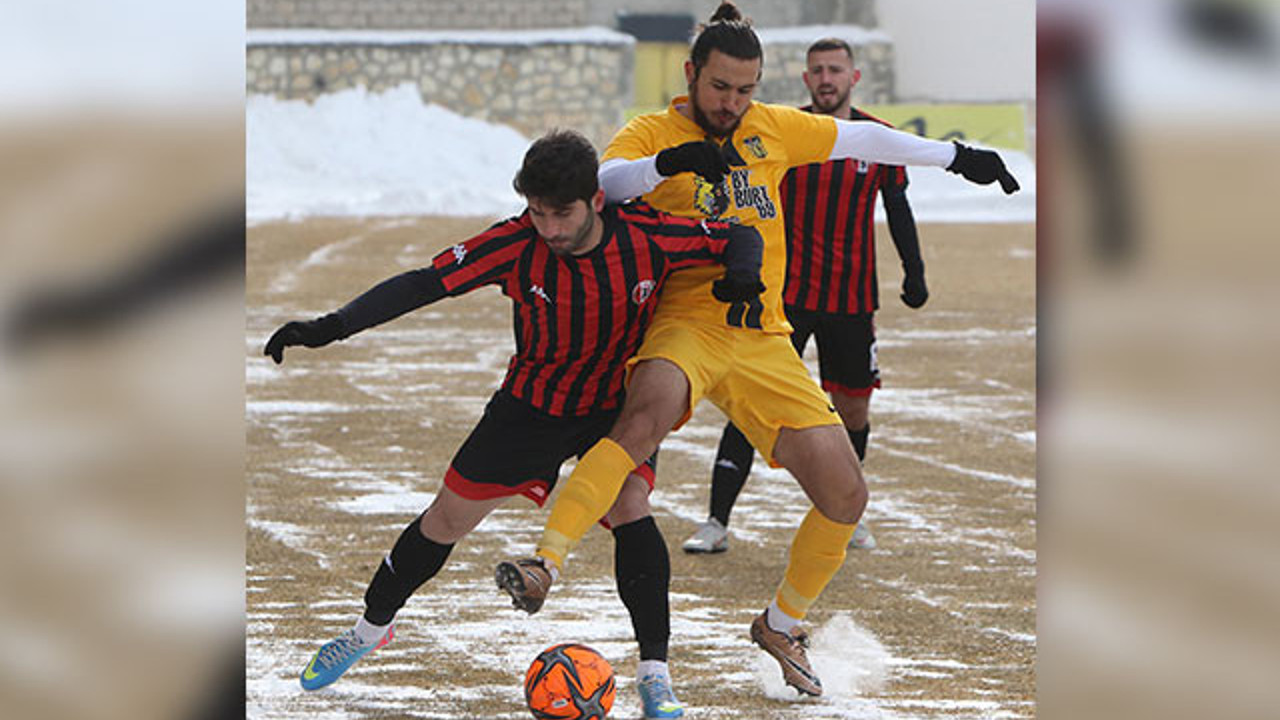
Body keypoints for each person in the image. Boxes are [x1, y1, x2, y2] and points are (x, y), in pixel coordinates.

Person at [495, 1, 1019, 700]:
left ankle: (780, 624)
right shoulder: (653, 129)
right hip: (685, 323)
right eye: (720, 89)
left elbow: (862, 142)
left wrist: (957, 157)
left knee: (845, 494)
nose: (734, 104)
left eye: (746, 89)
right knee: (641, 420)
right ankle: (545, 564)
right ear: (692, 75)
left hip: (765, 337)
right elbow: (608, 185)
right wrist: (667, 163)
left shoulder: (773, 127)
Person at [264, 129, 763, 719]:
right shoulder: (515, 243)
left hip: (613, 411)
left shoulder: (646, 236)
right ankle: (368, 630)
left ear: (596, 201)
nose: (548, 227)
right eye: (538, 211)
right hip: (530, 408)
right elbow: (425, 283)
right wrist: (332, 326)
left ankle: (655, 673)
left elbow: (739, 233)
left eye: (562, 213)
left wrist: (743, 273)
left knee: (631, 508)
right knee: (445, 520)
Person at [682, 37, 927, 556]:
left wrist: (914, 270)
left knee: (853, 410)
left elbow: (899, 207)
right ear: (805, 79)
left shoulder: (873, 139)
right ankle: (716, 520)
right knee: (751, 404)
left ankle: (846, 515)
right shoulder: (782, 135)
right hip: (784, 298)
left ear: (853, 77)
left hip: (852, 298)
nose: (825, 78)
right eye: (816, 70)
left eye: (835, 69)